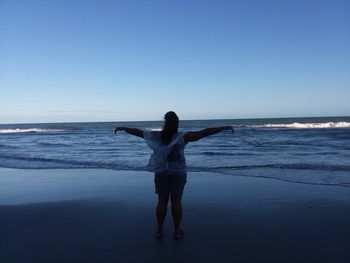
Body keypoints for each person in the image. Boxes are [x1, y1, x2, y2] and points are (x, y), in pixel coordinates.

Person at [114, 111, 233, 240]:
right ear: (177, 123)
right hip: (179, 172)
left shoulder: (156, 136)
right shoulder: (183, 137)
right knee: (176, 201)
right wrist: (222, 128)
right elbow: (204, 132)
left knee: (162, 200)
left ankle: (159, 231)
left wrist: (124, 128)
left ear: (165, 122)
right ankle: (176, 232)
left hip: (162, 172)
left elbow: (138, 132)